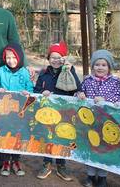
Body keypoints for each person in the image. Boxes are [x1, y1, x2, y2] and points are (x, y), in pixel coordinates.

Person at [34, 41, 80, 181]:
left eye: (59, 57)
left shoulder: (69, 71)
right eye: (52, 57)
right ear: (48, 59)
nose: (56, 60)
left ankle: (61, 165)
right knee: (48, 137)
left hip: (65, 112)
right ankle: (47, 163)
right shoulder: (43, 74)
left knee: (62, 137)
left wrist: (70, 70)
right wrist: (43, 91)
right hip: (48, 112)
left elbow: (77, 88)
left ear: (64, 58)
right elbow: (36, 90)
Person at [77, 49, 120, 187]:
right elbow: (79, 94)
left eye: (104, 65)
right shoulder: (87, 80)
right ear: (93, 66)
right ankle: (90, 176)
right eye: (97, 64)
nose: (100, 68)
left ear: (109, 67)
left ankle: (102, 176)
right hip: (90, 121)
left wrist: (105, 99)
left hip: (106, 121)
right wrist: (79, 95)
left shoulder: (115, 82)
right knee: (91, 146)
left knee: (104, 147)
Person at [0, 43, 34, 177]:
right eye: (8, 58)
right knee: (5, 134)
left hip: (19, 111)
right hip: (4, 110)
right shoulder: (0, 71)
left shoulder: (24, 72)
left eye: (14, 57)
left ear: (19, 57)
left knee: (18, 135)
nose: (11, 61)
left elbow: (31, 90)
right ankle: (6, 161)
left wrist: (26, 92)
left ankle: (16, 161)